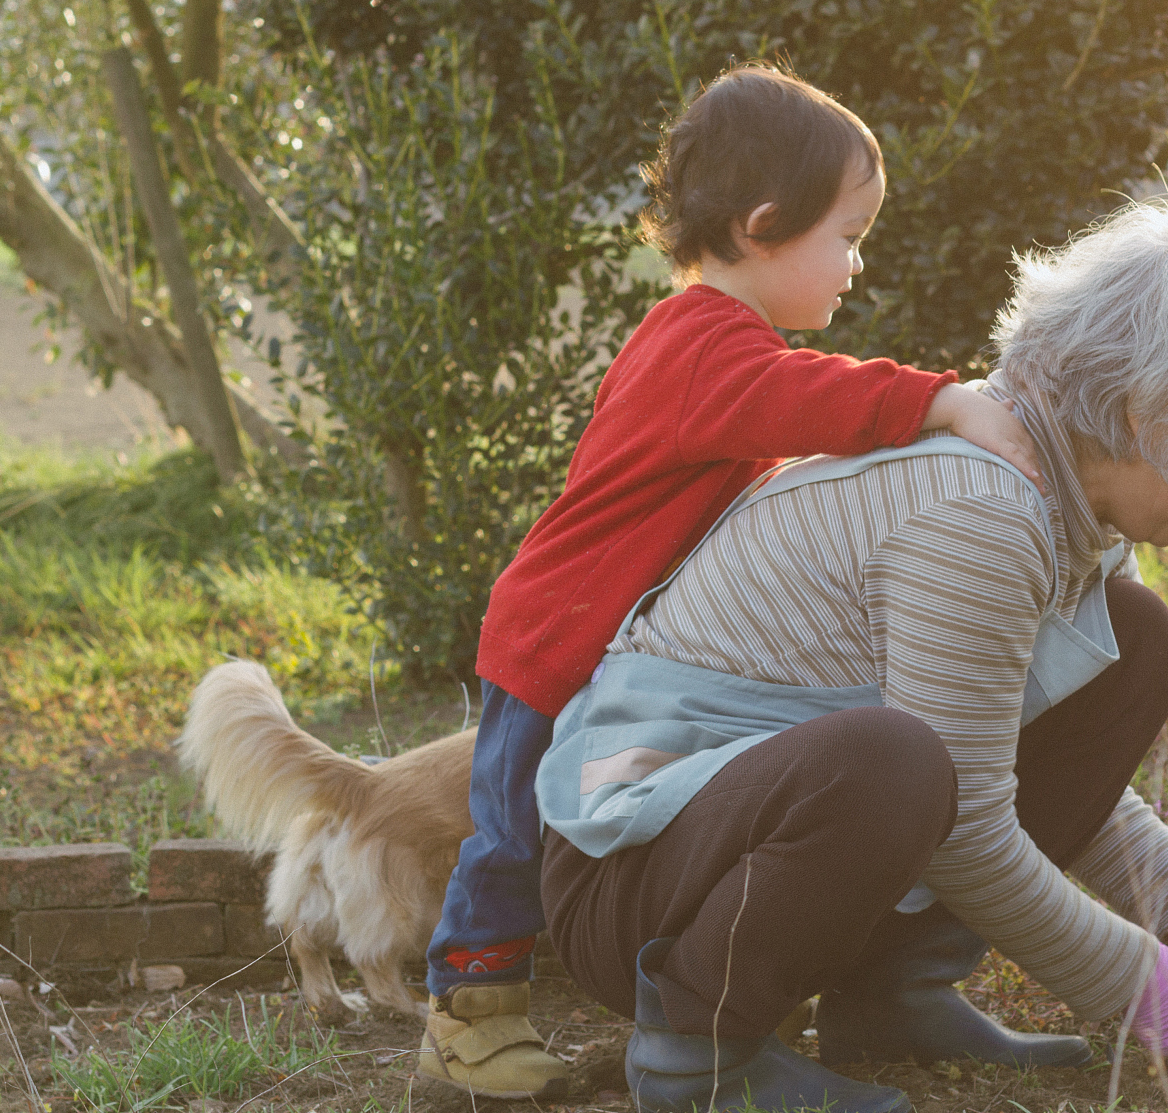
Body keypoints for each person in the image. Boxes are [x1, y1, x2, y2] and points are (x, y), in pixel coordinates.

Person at [534, 202, 1168, 1113]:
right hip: (636, 886)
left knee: (1134, 640)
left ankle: (893, 999)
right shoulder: (978, 512)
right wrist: (1141, 981)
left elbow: (1014, 762)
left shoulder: (1068, 504)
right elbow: (965, 821)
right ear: (1152, 411)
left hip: (745, 846)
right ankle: (698, 1051)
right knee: (893, 763)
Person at [420, 65, 1045, 1098]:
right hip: (556, 637)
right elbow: (796, 399)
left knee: (586, 813)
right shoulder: (703, 343)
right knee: (516, 835)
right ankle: (466, 1016)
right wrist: (940, 403)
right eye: (846, 236)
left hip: (622, 643)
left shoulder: (718, 342)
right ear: (762, 226)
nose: (856, 264)